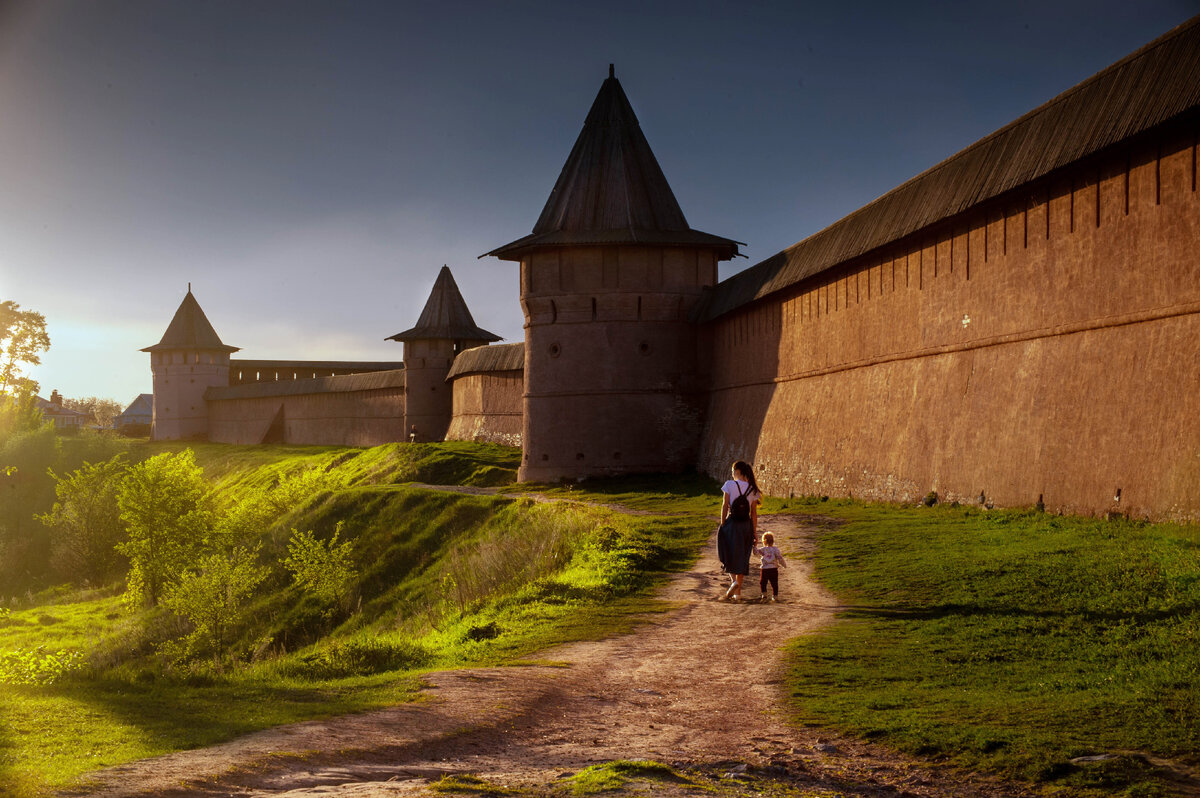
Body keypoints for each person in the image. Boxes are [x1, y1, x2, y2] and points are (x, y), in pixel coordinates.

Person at [716, 460, 761, 601]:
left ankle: (733, 582)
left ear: (737, 472)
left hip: (732, 523)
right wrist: (754, 532)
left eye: (733, 471)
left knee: (728, 553)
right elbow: (753, 513)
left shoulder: (729, 485)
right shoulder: (753, 489)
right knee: (742, 557)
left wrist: (723, 523)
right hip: (746, 526)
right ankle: (738, 595)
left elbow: (725, 505)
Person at [754, 531, 787, 602]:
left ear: (764, 541)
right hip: (773, 569)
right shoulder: (775, 549)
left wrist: (755, 545)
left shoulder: (763, 549)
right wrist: (784, 564)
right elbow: (780, 558)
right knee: (774, 583)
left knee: (763, 582)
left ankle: (764, 594)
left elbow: (756, 553)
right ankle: (775, 596)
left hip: (765, 569)